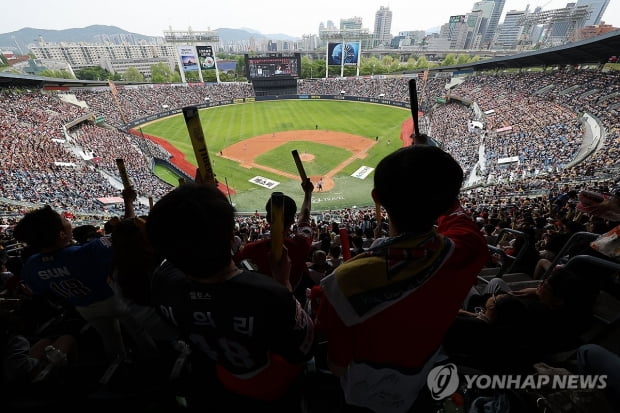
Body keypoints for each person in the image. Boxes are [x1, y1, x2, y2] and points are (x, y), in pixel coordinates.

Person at [315, 141, 489, 413]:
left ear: (377, 197)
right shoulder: (467, 249)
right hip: (424, 373)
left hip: (364, 393)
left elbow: (337, 365)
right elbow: (458, 218)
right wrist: (433, 172)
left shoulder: (344, 283)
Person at [145, 183, 315, 412]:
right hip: (273, 383)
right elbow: (304, 349)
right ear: (230, 235)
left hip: (222, 373)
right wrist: (283, 282)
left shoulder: (163, 284)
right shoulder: (273, 296)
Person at [13, 190, 158, 363]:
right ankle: (154, 362)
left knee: (110, 338)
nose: (69, 221)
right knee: (138, 331)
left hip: (83, 307)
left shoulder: (31, 265)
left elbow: (40, 290)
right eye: (65, 220)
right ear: (61, 235)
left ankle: (119, 367)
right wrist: (128, 202)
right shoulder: (87, 251)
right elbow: (126, 231)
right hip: (114, 300)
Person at [234, 179, 315, 305]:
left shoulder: (250, 249)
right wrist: (308, 193)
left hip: (259, 308)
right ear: (293, 220)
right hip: (292, 305)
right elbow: (305, 216)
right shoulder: (301, 245)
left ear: (267, 218)